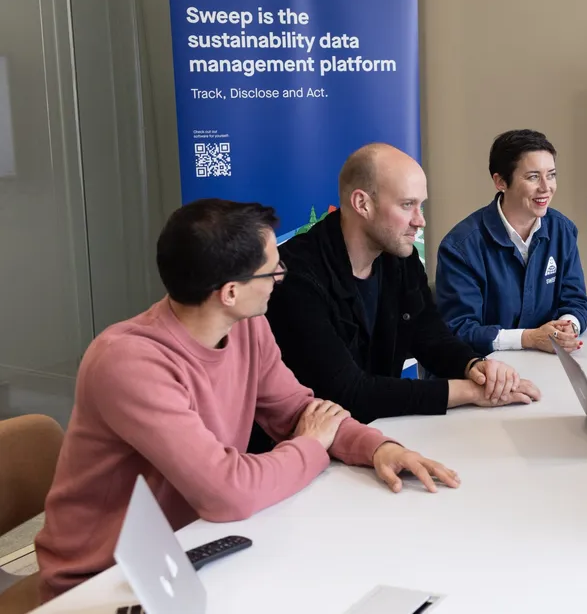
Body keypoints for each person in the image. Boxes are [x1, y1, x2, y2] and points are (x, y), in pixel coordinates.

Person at [34, 199, 460, 602]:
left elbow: (302, 411)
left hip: (202, 547)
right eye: (272, 270)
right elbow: (228, 492)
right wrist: (310, 445)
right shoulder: (129, 363)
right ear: (230, 292)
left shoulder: (245, 326)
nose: (281, 277)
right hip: (109, 582)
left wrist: (378, 448)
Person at [260, 144, 539, 435]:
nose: (420, 221)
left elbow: (430, 335)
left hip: (378, 431)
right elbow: (347, 392)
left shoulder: (400, 259)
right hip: (307, 446)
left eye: (421, 205)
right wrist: (469, 392)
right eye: (407, 205)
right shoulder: (294, 277)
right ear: (362, 204)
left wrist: (473, 367)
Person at [436, 129, 587, 356]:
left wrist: (568, 327)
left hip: (543, 363)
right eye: (533, 177)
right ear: (500, 182)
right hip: (483, 367)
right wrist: (529, 338)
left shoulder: (562, 230)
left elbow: (575, 300)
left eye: (551, 175)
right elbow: (459, 329)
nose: (546, 187)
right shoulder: (461, 246)